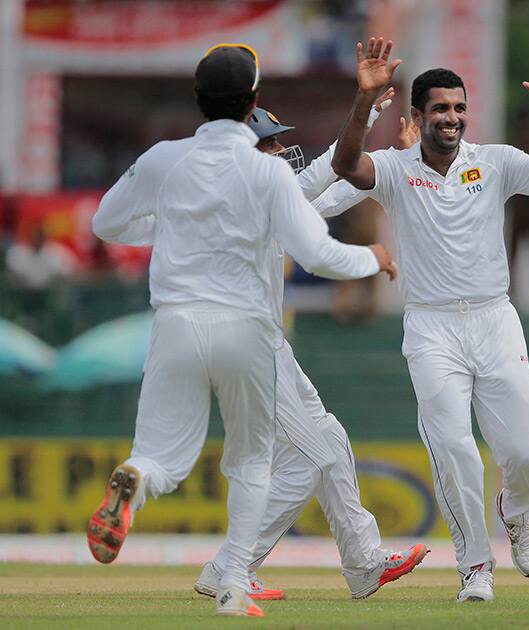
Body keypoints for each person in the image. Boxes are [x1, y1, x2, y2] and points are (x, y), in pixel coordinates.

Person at [86, 43, 397, 617]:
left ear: (198, 100)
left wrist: (169, 225)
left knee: (161, 456)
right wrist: (373, 258)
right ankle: (232, 585)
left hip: (177, 322)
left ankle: (135, 476)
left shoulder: (165, 159)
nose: (283, 148)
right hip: (249, 332)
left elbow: (105, 222)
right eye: (274, 137)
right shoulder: (264, 174)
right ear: (252, 101)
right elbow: (319, 248)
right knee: (254, 461)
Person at [332, 38, 529, 602]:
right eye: (440, 109)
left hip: (494, 320)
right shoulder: (396, 170)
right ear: (417, 116)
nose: (452, 118)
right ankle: (475, 566)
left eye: (459, 108)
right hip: (431, 328)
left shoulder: (493, 162)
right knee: (455, 451)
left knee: (526, 455)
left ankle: (517, 512)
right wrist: (363, 99)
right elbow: (346, 165)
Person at [188, 103, 427, 603]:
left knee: (329, 438)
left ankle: (363, 564)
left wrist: (398, 163)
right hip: (244, 347)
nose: (281, 150)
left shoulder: (264, 196)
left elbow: (332, 194)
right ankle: (231, 565)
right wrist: (365, 109)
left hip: (266, 345)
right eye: (271, 142)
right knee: (310, 459)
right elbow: (326, 172)